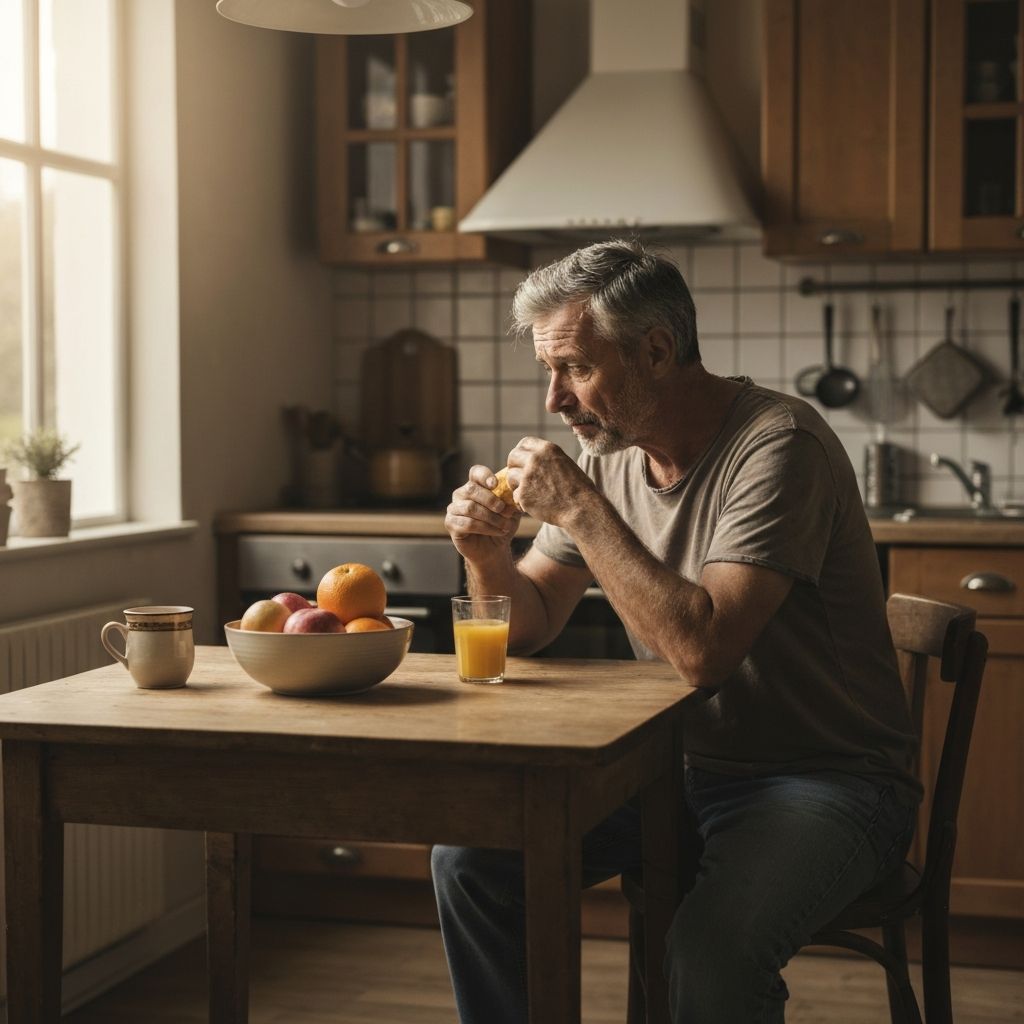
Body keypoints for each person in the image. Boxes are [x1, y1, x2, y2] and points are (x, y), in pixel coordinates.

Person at [432, 238, 921, 1023]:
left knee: (710, 953)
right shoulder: (614, 453)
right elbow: (530, 623)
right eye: (549, 372)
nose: (556, 400)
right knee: (472, 862)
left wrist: (582, 509)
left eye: (576, 369)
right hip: (672, 774)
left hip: (829, 780)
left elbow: (703, 652)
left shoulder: (779, 445)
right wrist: (487, 556)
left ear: (657, 350)